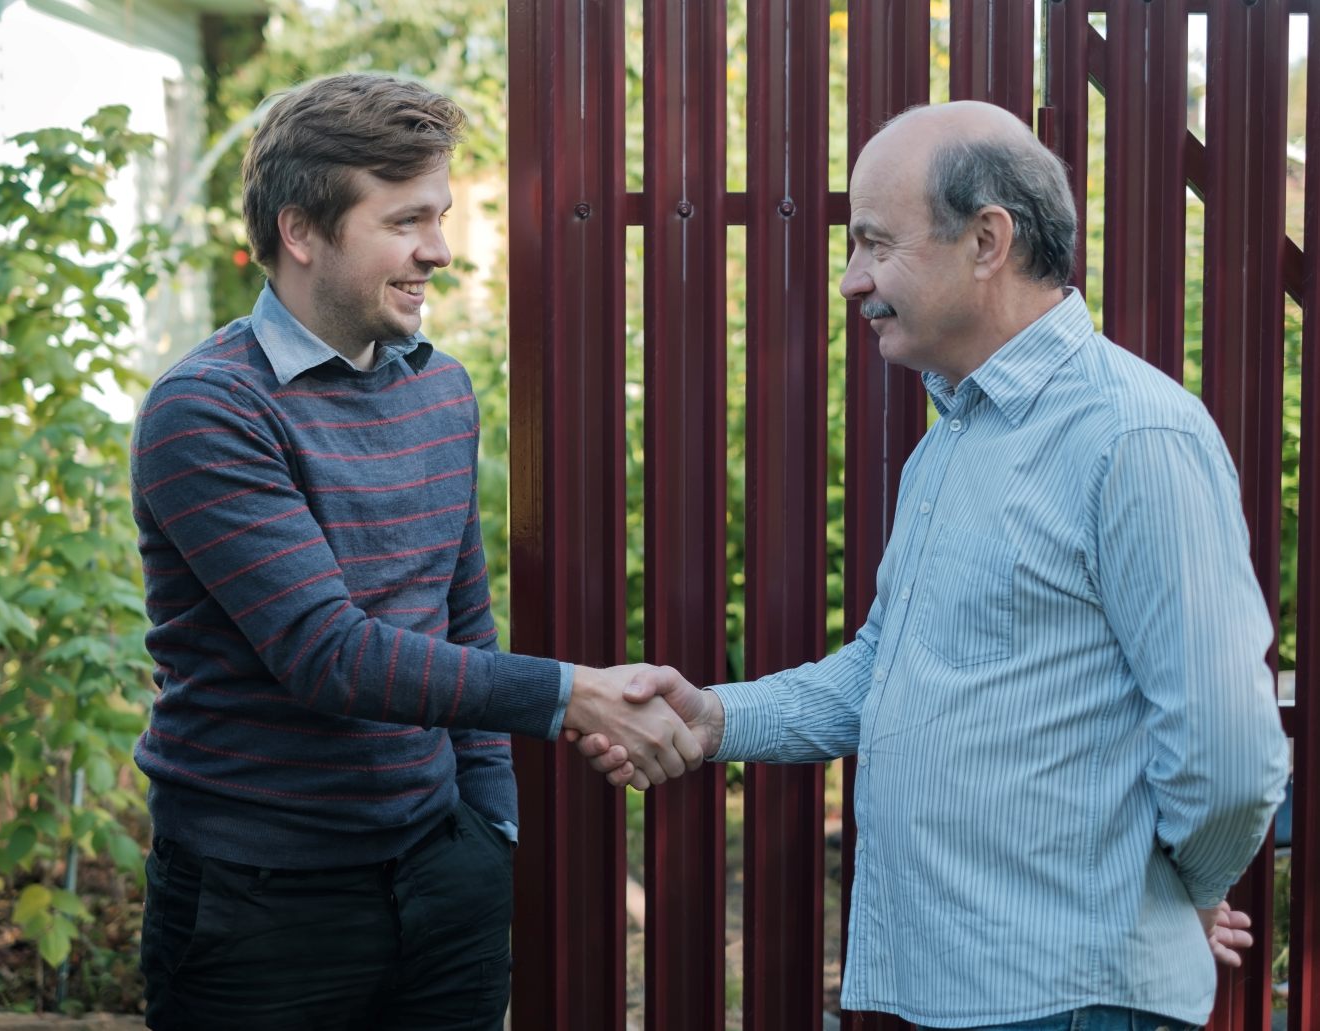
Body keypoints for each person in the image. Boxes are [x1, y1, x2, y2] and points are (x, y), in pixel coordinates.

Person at [579, 101, 1288, 1029]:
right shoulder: (954, 437)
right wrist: (716, 717)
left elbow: (1227, 751)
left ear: (987, 240)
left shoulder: (1134, 436)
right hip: (964, 986)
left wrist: (1181, 893)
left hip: (1067, 998)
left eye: (876, 243)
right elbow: (888, 666)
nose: (851, 280)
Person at [129, 72, 699, 1030]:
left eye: (437, 218)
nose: (438, 250)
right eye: (405, 222)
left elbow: (461, 614)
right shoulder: (210, 408)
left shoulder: (441, 389)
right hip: (262, 905)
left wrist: (490, 825)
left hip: (442, 876)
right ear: (301, 231)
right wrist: (573, 693)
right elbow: (330, 653)